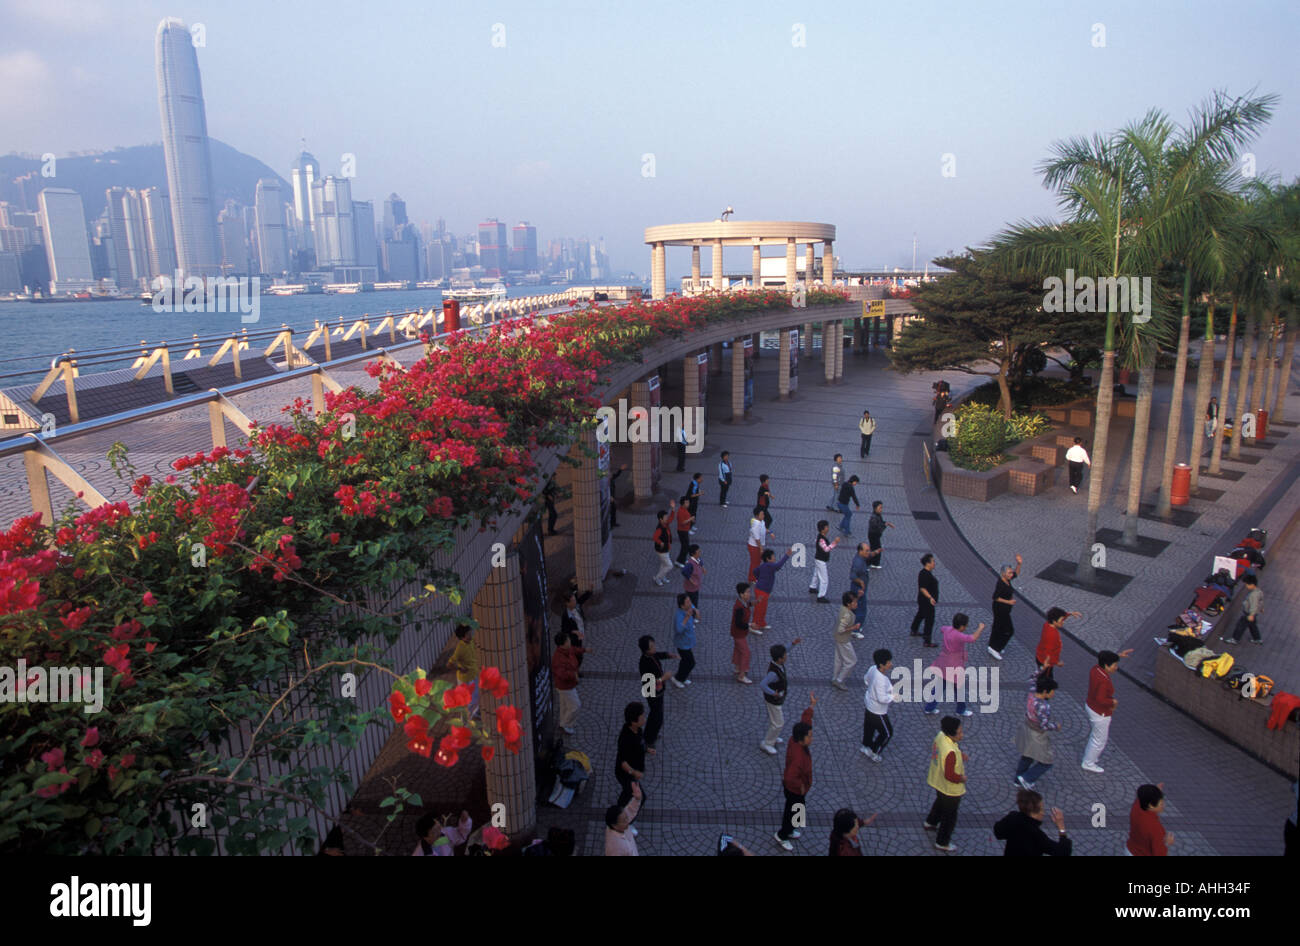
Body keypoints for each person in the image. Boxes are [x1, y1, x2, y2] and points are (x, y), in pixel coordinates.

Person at [774, 692, 817, 851]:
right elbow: (791, 777)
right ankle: (783, 834)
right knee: (791, 811)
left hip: (798, 788)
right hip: (795, 790)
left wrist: (811, 706)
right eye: (810, 736)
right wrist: (801, 787)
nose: (812, 738)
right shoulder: (799, 756)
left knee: (798, 809)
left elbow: (805, 720)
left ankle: (792, 829)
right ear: (802, 739)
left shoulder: (795, 739)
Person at [1081, 647, 1132, 773]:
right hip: (1100, 712)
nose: (1116, 667)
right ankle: (1089, 762)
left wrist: (1117, 656)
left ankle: (1090, 757)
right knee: (1099, 740)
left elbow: (1105, 658)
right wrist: (1113, 702)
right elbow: (1101, 699)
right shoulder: (1103, 680)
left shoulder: (1096, 669)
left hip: (1091, 706)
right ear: (1106, 666)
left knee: (1095, 736)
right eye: (1114, 665)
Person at [924, 614, 984, 716]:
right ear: (961, 626)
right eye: (966, 625)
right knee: (959, 688)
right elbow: (972, 638)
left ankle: (929, 707)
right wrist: (980, 628)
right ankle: (960, 710)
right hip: (954, 665)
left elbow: (942, 628)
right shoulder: (958, 635)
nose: (966, 627)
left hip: (944, 662)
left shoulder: (948, 629)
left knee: (939, 686)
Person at [924, 715, 967, 852]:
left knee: (939, 803)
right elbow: (950, 775)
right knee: (949, 817)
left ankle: (931, 822)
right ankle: (942, 842)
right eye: (959, 732)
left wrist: (960, 755)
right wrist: (961, 778)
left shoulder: (941, 736)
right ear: (951, 733)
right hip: (950, 789)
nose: (962, 734)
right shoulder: (951, 752)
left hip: (938, 781)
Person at [1015, 669, 1063, 790]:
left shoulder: (1032, 693)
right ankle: (1027, 778)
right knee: (1047, 762)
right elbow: (1044, 725)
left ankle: (1018, 779)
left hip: (1026, 726)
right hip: (1037, 734)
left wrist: (1041, 669)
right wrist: (1056, 726)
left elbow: (1031, 678)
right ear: (1046, 692)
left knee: (1027, 755)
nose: (1053, 694)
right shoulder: (1043, 706)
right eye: (1052, 691)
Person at [993, 789, 1071, 856]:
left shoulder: (1013, 817)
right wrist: (1061, 825)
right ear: (1034, 813)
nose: (1043, 812)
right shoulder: (1037, 835)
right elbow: (1063, 852)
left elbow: (998, 832)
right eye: (1042, 809)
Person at [759, 639, 802, 755]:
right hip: (773, 700)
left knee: (775, 720)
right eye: (784, 656)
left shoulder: (777, 663)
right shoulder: (773, 673)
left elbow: (785, 650)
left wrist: (792, 644)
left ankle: (773, 737)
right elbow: (762, 684)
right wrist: (773, 693)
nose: (786, 656)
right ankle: (768, 743)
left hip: (776, 699)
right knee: (778, 723)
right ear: (779, 659)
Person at [638, 635, 677, 751]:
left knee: (656, 715)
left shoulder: (651, 655)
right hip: (653, 693)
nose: (654, 648)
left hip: (658, 692)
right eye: (652, 647)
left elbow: (658, 655)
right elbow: (650, 683)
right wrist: (664, 678)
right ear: (646, 650)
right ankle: (649, 739)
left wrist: (668, 655)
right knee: (657, 717)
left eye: (654, 645)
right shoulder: (644, 663)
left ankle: (651, 735)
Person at [614, 702, 648, 827]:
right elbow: (622, 762)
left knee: (627, 794)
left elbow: (640, 744)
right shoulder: (626, 739)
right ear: (633, 721)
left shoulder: (638, 730)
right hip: (626, 774)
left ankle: (618, 811)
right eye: (642, 717)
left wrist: (647, 749)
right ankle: (625, 821)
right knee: (640, 797)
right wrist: (634, 772)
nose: (645, 718)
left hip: (633, 772)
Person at [551, 631, 589, 734]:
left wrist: (585, 650)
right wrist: (574, 675)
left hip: (567, 685)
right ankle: (566, 725)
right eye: (568, 640)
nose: (570, 641)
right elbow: (561, 674)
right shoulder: (558, 658)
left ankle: (562, 723)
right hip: (565, 686)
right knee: (576, 705)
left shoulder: (566, 650)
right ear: (563, 644)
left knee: (564, 705)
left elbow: (574, 650)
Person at [861, 648, 894, 762]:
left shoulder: (872, 669)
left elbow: (866, 680)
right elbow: (882, 698)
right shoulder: (882, 680)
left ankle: (866, 746)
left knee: (869, 728)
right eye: (889, 662)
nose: (891, 664)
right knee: (887, 733)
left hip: (869, 705)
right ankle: (874, 751)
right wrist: (893, 696)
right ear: (882, 665)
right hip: (877, 710)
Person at [988, 554, 1023, 660]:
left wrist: (1019, 564)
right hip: (1000, 609)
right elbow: (995, 597)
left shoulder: (1007, 579)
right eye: (1009, 573)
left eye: (1011, 572)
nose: (1011, 575)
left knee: (997, 627)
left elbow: (1016, 573)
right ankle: (996, 648)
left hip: (1003, 609)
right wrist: (1009, 602)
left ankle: (992, 645)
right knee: (1009, 630)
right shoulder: (1001, 584)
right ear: (1003, 574)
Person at [1126, 783, 1174, 856]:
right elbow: (1159, 853)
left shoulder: (1138, 805)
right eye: (1161, 804)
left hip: (1130, 849)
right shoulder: (1155, 828)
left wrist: (1155, 792)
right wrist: (1166, 843)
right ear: (1151, 806)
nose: (1164, 806)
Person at [752, 546, 793, 630]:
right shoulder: (770, 565)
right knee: (759, 609)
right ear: (768, 558)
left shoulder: (763, 565)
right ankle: (754, 625)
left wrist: (758, 579)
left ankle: (761, 623)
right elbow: (779, 565)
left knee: (763, 608)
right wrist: (787, 555)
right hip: (762, 591)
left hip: (763, 590)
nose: (775, 558)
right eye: (773, 556)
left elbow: (755, 571)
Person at [830, 589, 864, 690]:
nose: (856, 604)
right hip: (843, 640)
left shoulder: (844, 608)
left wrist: (857, 596)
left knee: (839, 660)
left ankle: (835, 677)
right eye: (855, 602)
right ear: (849, 604)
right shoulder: (847, 615)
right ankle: (839, 680)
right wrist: (853, 628)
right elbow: (841, 629)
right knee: (852, 661)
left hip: (838, 638)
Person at [1035, 607, 1080, 671]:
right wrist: (1056, 662)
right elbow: (1049, 652)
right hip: (1045, 663)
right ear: (1054, 621)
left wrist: (1070, 614)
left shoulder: (1047, 624)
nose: (1063, 622)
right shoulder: (1052, 635)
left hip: (1040, 656)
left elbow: (1058, 617)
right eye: (1061, 620)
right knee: (1045, 679)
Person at [449, 624, 481, 713]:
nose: (471, 635)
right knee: (465, 701)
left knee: (475, 696)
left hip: (473, 673)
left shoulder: (471, 641)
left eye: (470, 632)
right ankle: (466, 720)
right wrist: (461, 669)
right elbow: (450, 664)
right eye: (468, 634)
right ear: (462, 637)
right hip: (465, 679)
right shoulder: (460, 649)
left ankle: (474, 714)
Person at [605, 782, 642, 856]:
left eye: (626, 818)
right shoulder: (614, 847)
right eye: (624, 821)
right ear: (614, 825)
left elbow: (629, 810)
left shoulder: (619, 825)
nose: (627, 821)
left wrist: (637, 799)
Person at [808, 520, 841, 602]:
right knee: (824, 579)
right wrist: (835, 542)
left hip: (818, 558)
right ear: (823, 529)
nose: (828, 528)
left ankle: (813, 587)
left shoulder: (820, 537)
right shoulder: (822, 539)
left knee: (816, 573)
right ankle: (821, 596)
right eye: (827, 527)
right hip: (821, 560)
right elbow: (826, 549)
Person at [1226, 571, 1263, 645]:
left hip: (1249, 613)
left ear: (1252, 584)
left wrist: (1251, 615)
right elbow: (1260, 601)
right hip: (1254, 613)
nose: (1246, 586)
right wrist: (1261, 608)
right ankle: (1257, 638)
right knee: (1252, 625)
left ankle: (1235, 639)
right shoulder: (1258, 591)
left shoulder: (1253, 595)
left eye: (1247, 584)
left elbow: (1254, 605)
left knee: (1240, 625)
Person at [671, 593, 699, 688]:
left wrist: (696, 610)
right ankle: (678, 678)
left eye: (689, 600)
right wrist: (686, 618)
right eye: (687, 602)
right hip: (682, 644)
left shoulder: (688, 608)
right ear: (682, 606)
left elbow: (693, 607)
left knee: (685, 662)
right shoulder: (679, 616)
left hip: (688, 642)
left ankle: (682, 677)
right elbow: (678, 630)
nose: (690, 603)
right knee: (691, 663)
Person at [910, 553, 939, 645]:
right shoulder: (925, 574)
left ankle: (914, 629)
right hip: (926, 601)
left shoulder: (925, 573)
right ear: (927, 563)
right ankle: (927, 640)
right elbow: (923, 588)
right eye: (933, 561)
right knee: (929, 619)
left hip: (923, 600)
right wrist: (930, 598)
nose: (934, 563)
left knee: (921, 614)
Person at [732, 582, 755, 683]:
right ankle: (741, 675)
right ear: (742, 594)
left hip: (737, 633)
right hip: (739, 633)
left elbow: (747, 605)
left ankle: (737, 667)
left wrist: (752, 603)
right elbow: (738, 623)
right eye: (748, 592)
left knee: (738, 650)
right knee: (746, 652)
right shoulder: (739, 608)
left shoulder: (742, 602)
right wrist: (750, 625)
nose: (750, 594)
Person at [652, 503, 677, 586]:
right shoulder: (659, 528)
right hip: (661, 551)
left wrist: (673, 509)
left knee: (663, 564)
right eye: (665, 517)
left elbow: (671, 518)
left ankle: (662, 577)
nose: (667, 518)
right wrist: (661, 542)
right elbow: (655, 537)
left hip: (666, 549)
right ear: (660, 519)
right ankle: (657, 578)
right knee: (669, 565)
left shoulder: (665, 524)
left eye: (666, 517)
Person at [746, 506, 771, 582]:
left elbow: (764, 529)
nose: (763, 515)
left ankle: (755, 576)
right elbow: (757, 539)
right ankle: (752, 578)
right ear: (757, 516)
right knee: (755, 563)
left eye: (763, 514)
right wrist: (761, 549)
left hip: (757, 546)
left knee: (757, 562)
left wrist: (770, 532)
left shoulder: (761, 521)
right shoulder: (756, 525)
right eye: (762, 514)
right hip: (754, 546)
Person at [866, 501, 893, 568]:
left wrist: (887, 523)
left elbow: (881, 523)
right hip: (873, 535)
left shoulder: (877, 515)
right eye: (880, 508)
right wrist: (885, 525)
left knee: (875, 548)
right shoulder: (874, 517)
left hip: (875, 535)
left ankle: (873, 562)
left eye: (881, 508)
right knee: (876, 549)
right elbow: (878, 528)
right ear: (875, 508)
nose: (881, 509)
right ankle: (873, 563)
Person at [682, 544, 705, 614]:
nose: (700, 553)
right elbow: (684, 572)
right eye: (698, 552)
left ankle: (691, 612)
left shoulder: (698, 559)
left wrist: (703, 568)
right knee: (693, 601)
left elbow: (701, 563)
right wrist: (692, 581)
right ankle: (693, 615)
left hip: (696, 586)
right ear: (693, 553)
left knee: (694, 600)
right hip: (691, 588)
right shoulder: (690, 564)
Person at [674, 497, 694, 565]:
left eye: (688, 502)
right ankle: (679, 561)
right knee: (685, 547)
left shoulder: (685, 510)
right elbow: (682, 522)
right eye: (687, 502)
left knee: (685, 546)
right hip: (682, 531)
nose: (688, 504)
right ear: (683, 504)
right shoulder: (680, 511)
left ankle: (683, 559)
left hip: (685, 530)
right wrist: (690, 519)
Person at [609, 463, 628, 528]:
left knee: (614, 510)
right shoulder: (606, 482)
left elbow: (616, 475)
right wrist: (609, 497)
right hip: (609, 498)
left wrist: (621, 469)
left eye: (611, 474)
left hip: (612, 498)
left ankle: (613, 523)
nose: (612, 475)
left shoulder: (611, 479)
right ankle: (610, 525)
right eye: (610, 474)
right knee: (610, 512)